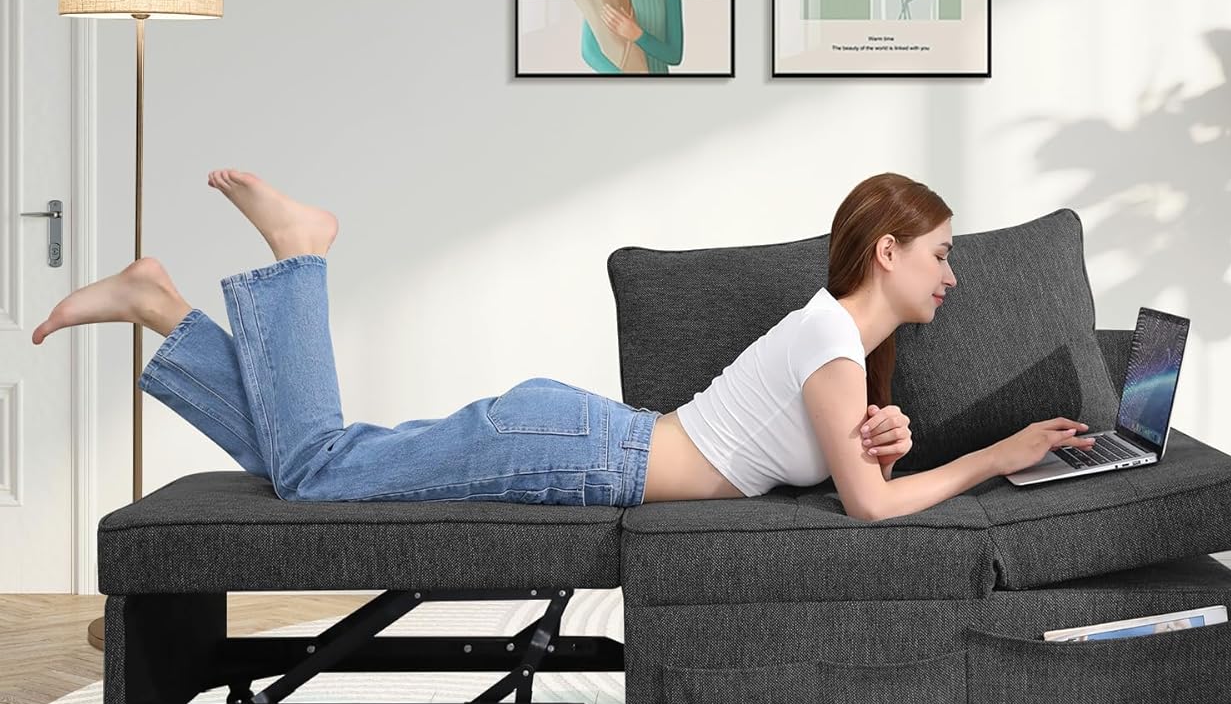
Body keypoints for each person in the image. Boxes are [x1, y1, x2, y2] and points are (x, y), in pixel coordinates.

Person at [31, 170, 1096, 518]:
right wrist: (998, 458)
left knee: (317, 464)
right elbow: (871, 516)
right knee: (315, 472)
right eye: (943, 253)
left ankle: (160, 308)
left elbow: (841, 471)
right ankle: (297, 259)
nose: (955, 276)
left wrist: (884, 435)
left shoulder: (841, 349)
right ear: (888, 252)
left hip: (583, 442)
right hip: (579, 451)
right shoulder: (828, 337)